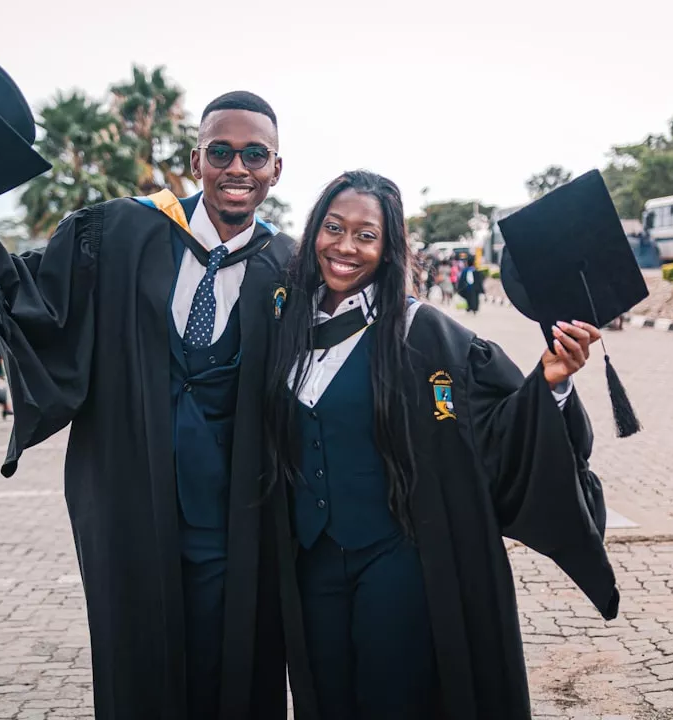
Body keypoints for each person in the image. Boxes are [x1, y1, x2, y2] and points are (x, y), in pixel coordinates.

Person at [0, 92, 295, 719]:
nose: (237, 167)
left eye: (254, 154)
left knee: (232, 654)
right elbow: (37, 303)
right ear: (196, 160)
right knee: (137, 653)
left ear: (275, 169)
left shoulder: (291, 265)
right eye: (221, 152)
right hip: (130, 495)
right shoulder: (121, 231)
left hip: (237, 510)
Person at [264, 171, 617, 719]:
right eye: (334, 228)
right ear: (314, 233)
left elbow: (491, 431)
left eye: (366, 235)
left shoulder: (424, 336)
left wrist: (550, 382)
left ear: (388, 248)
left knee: (393, 701)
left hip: (394, 561)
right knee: (328, 700)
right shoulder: (284, 323)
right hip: (311, 564)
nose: (345, 246)